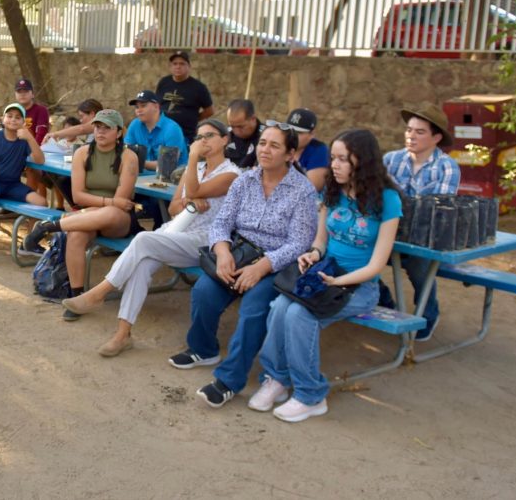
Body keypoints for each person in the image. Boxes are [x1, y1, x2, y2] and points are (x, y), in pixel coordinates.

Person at [231, 129, 402, 422]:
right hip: (325, 275)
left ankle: (310, 394)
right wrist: (313, 254)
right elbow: (321, 241)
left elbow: (377, 265)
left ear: (363, 161)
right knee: (280, 307)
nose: (334, 165)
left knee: (300, 315)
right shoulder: (333, 191)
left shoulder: (387, 200)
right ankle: (277, 379)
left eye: (343, 159)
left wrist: (339, 282)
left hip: (359, 285)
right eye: (332, 158)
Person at [60, 119, 239, 356]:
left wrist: (193, 157)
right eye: (199, 137)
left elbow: (196, 190)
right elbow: (173, 208)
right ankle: (122, 335)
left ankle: (99, 292)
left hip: (205, 240)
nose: (202, 141)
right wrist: (188, 201)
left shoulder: (231, 174)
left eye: (209, 136)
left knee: (143, 239)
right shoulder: (193, 170)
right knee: (142, 263)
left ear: (225, 140)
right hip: (175, 231)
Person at [168, 123, 317, 399]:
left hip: (275, 264)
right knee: (204, 290)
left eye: (274, 145)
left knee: (253, 308)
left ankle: (229, 380)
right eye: (263, 143)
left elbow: (299, 243)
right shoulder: (244, 181)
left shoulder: (302, 190)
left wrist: (261, 267)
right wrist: (223, 252)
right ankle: (203, 349)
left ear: (289, 154)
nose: (265, 150)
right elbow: (222, 223)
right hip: (239, 253)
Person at [20, 110, 141, 315]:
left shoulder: (129, 157)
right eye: (97, 127)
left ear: (119, 132)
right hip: (87, 215)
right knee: (76, 235)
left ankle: (49, 227)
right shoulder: (82, 153)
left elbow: (120, 204)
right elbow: (77, 197)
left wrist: (107, 204)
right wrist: (108, 201)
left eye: (107, 128)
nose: (100, 132)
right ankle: (77, 296)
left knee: (110, 213)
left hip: (117, 221)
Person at [379, 104, 460, 341]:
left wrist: (397, 203)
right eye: (409, 130)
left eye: (419, 132)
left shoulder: (447, 167)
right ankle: (384, 301)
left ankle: (427, 312)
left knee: (418, 262)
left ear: (436, 138)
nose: (411, 136)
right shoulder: (391, 159)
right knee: (353, 252)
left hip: (425, 237)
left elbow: (437, 212)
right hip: (389, 231)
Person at [0, 103, 46, 267]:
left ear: (23, 122)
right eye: (9, 116)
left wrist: (30, 137)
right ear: (3, 119)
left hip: (11, 184)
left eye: (18, 117)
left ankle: (28, 243)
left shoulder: (24, 141)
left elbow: (40, 160)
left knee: (41, 202)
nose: (13, 120)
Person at [42, 99, 103, 209]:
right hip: (92, 167)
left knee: (64, 180)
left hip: (100, 172)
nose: (81, 120)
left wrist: (55, 134)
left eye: (82, 116)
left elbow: (81, 129)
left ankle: (79, 207)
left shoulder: (102, 123)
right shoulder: (93, 132)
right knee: (56, 176)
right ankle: (78, 207)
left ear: (92, 114)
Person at [124, 89, 189, 172]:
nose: (139, 110)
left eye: (143, 106)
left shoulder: (172, 129)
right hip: (141, 176)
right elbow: (126, 151)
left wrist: (138, 162)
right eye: (137, 107)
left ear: (156, 107)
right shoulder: (135, 124)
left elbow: (167, 165)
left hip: (170, 177)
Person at [156, 50, 214, 141]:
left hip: (185, 135)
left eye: (182, 64)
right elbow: (157, 104)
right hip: (162, 133)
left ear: (189, 67)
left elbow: (209, 111)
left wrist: (193, 119)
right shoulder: (164, 82)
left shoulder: (199, 87)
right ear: (170, 67)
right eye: (175, 64)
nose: (178, 66)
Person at [285, 107, 330, 192]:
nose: (292, 135)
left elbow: (311, 189)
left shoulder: (319, 150)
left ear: (312, 134)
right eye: (289, 130)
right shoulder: (281, 145)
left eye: (298, 133)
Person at [224, 98, 263, 170]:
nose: (236, 131)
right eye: (232, 126)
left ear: (253, 119)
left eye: (240, 127)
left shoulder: (266, 137)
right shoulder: (226, 135)